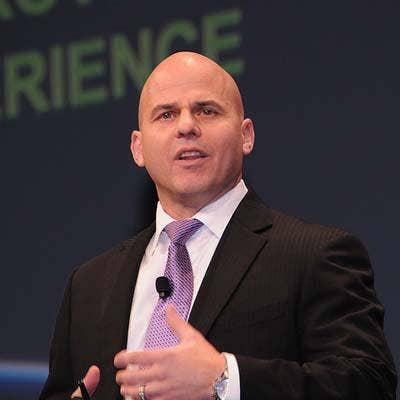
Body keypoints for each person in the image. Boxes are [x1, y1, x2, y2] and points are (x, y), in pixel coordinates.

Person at [39, 52, 397, 400]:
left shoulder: (315, 255)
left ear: (246, 135)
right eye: (166, 114)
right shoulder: (88, 286)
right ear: (139, 148)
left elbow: (368, 384)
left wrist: (225, 379)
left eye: (206, 110)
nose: (186, 126)